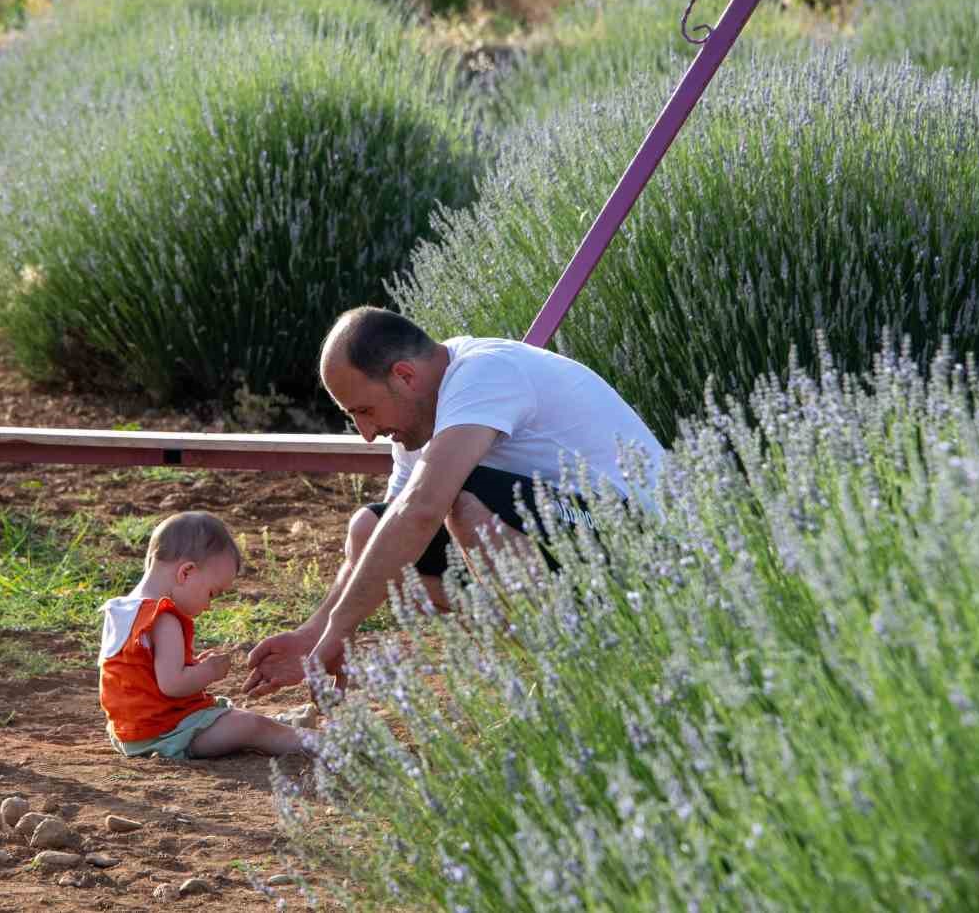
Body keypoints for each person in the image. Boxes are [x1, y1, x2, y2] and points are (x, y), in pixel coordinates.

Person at [243, 307, 664, 698]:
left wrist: (340, 629)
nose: (366, 433)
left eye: (366, 410)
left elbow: (423, 510)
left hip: (640, 541)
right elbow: (389, 541)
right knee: (370, 530)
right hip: (569, 546)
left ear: (405, 376)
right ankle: (575, 662)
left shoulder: (485, 372)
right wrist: (312, 636)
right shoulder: (417, 425)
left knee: (462, 499)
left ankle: (584, 672)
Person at [99, 511, 307, 759]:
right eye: (212, 593)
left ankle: (282, 725)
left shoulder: (121, 609)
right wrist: (210, 671)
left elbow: (144, 676)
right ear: (185, 572)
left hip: (130, 733)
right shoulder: (163, 617)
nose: (209, 606)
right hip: (168, 732)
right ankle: (332, 745)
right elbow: (173, 685)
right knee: (252, 727)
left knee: (232, 719)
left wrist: (193, 666)